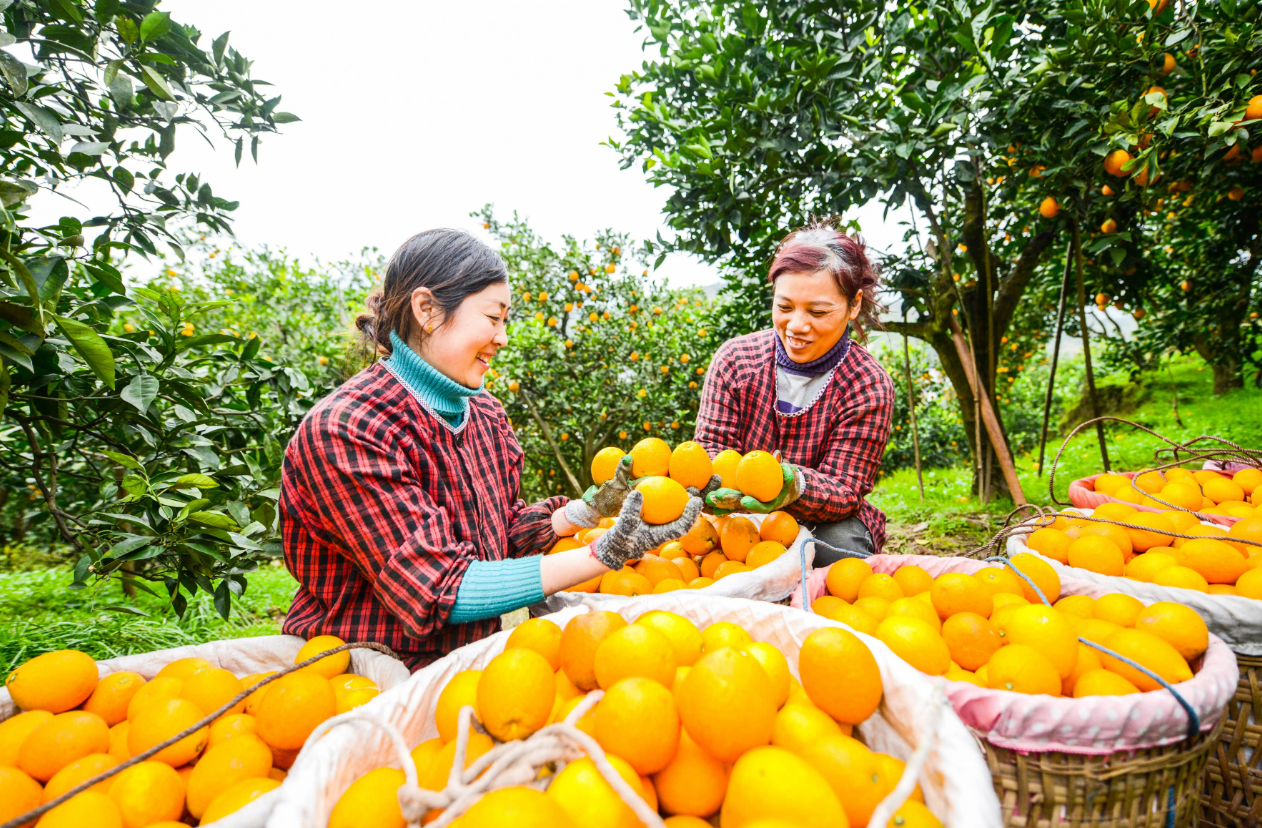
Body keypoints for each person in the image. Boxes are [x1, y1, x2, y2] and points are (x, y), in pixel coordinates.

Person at [279, 229, 700, 670]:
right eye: (492, 318)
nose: (501, 338)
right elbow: (441, 587)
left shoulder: (484, 414)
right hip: (358, 676)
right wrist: (603, 554)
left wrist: (590, 511)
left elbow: (501, 536)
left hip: (464, 668)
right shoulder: (349, 429)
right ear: (426, 309)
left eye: (505, 321)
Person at [695, 220, 894, 564]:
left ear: (854, 304)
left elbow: (846, 488)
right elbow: (710, 448)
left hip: (824, 518)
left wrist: (788, 485)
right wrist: (725, 489)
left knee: (839, 550)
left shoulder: (867, 384)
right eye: (784, 307)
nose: (797, 326)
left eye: (818, 312)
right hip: (737, 512)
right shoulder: (736, 361)